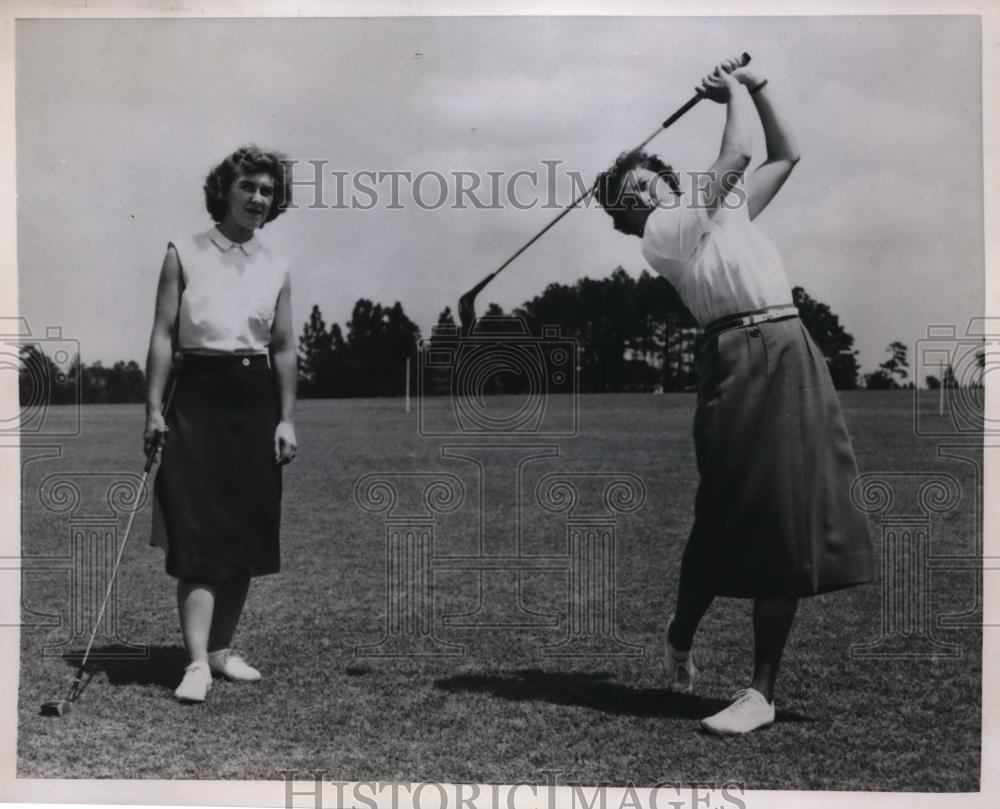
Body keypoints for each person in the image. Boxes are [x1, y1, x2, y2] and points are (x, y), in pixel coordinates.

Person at [595, 58, 874, 734]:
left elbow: (786, 152)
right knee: (720, 522)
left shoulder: (727, 212)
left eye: (648, 173)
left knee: (786, 516)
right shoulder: (664, 237)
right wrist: (732, 93)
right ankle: (681, 632)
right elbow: (741, 148)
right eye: (629, 191)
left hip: (791, 347)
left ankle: (760, 691)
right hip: (736, 360)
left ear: (666, 176)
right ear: (630, 217)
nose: (645, 186)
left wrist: (759, 87)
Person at [144, 145, 298, 703]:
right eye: (249, 188)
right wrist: (154, 409)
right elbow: (163, 335)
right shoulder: (182, 252)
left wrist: (286, 419)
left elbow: (282, 348)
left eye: (267, 191)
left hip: (254, 401)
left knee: (244, 528)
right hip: (197, 398)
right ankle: (194, 664)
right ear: (224, 192)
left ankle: (220, 652)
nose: (259, 199)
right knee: (199, 527)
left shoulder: (276, 264)